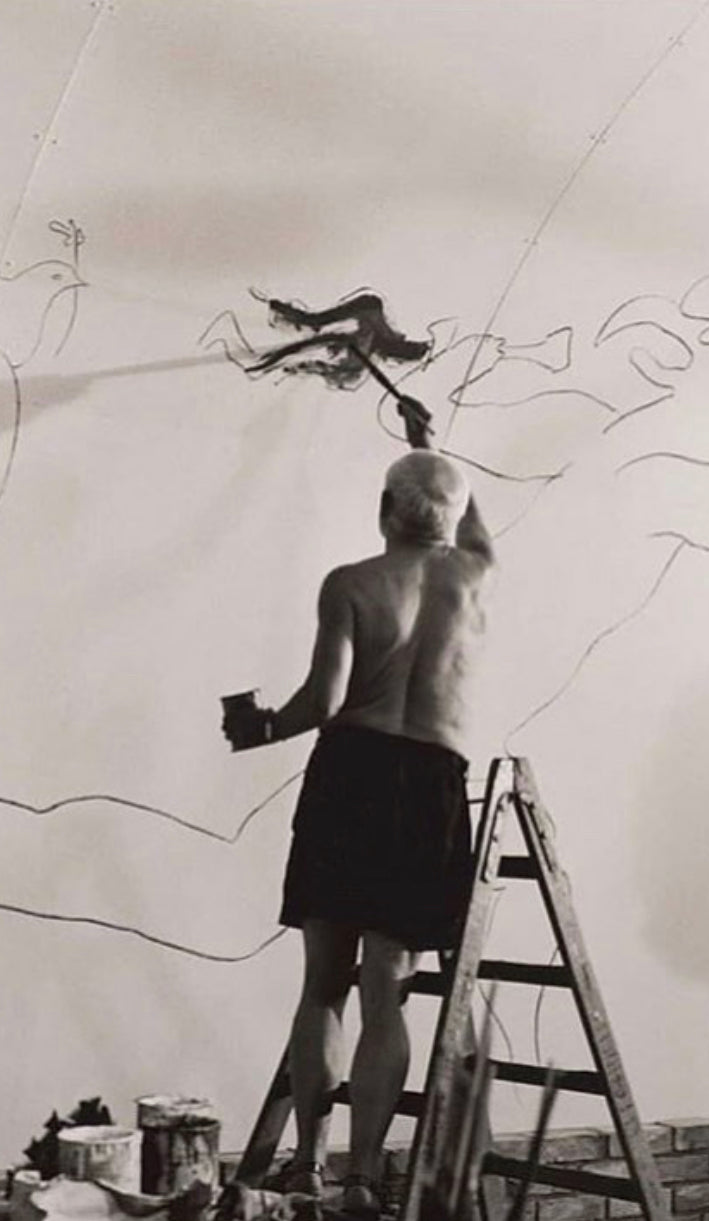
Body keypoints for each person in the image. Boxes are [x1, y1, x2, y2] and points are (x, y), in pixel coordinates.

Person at [222, 404, 495, 1216]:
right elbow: (472, 524)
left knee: (322, 987)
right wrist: (430, 448)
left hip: (352, 775)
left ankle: (309, 1162)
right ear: (451, 519)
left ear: (383, 511)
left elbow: (325, 700)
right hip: (431, 782)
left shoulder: (350, 583)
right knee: (388, 991)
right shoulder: (474, 574)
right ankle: (363, 1177)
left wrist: (263, 727)